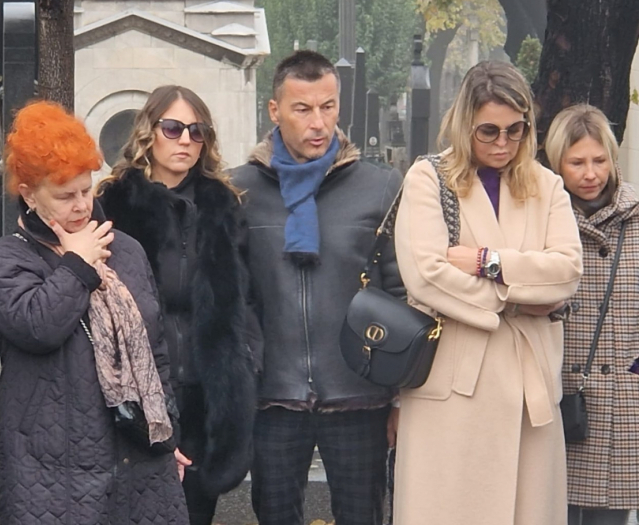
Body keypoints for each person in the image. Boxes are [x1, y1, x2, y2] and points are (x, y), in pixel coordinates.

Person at [392, 61, 583, 525]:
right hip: (453, 387)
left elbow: (566, 271)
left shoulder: (546, 185)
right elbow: (426, 275)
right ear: (465, 125)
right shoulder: (429, 178)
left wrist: (486, 262)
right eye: (489, 131)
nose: (503, 143)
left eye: (516, 130)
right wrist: (518, 299)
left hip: (529, 390)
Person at [0, 100, 189, 525]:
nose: (81, 205)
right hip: (50, 469)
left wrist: (167, 432)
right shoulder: (8, 258)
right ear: (29, 194)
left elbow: (155, 351)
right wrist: (78, 264)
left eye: (85, 190)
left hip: (137, 456)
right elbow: (38, 327)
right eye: (65, 196)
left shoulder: (125, 249)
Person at [230, 50, 403, 525]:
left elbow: (399, 291)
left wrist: (398, 395)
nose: (318, 123)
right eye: (303, 109)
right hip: (273, 395)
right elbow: (234, 295)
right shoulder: (238, 191)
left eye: (328, 107)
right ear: (275, 110)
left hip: (358, 392)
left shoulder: (380, 187)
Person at [98, 85, 258, 525]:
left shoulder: (222, 204)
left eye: (197, 131)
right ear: (149, 132)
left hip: (209, 395)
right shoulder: (114, 202)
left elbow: (246, 298)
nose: (186, 139)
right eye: (173, 128)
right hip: (140, 396)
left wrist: (248, 364)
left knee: (197, 513)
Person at [545, 104, 639, 525]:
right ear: (557, 163)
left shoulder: (634, 217)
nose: (590, 174)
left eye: (599, 161)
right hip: (560, 397)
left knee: (611, 516)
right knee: (550, 509)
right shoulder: (541, 220)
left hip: (625, 399)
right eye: (577, 162)